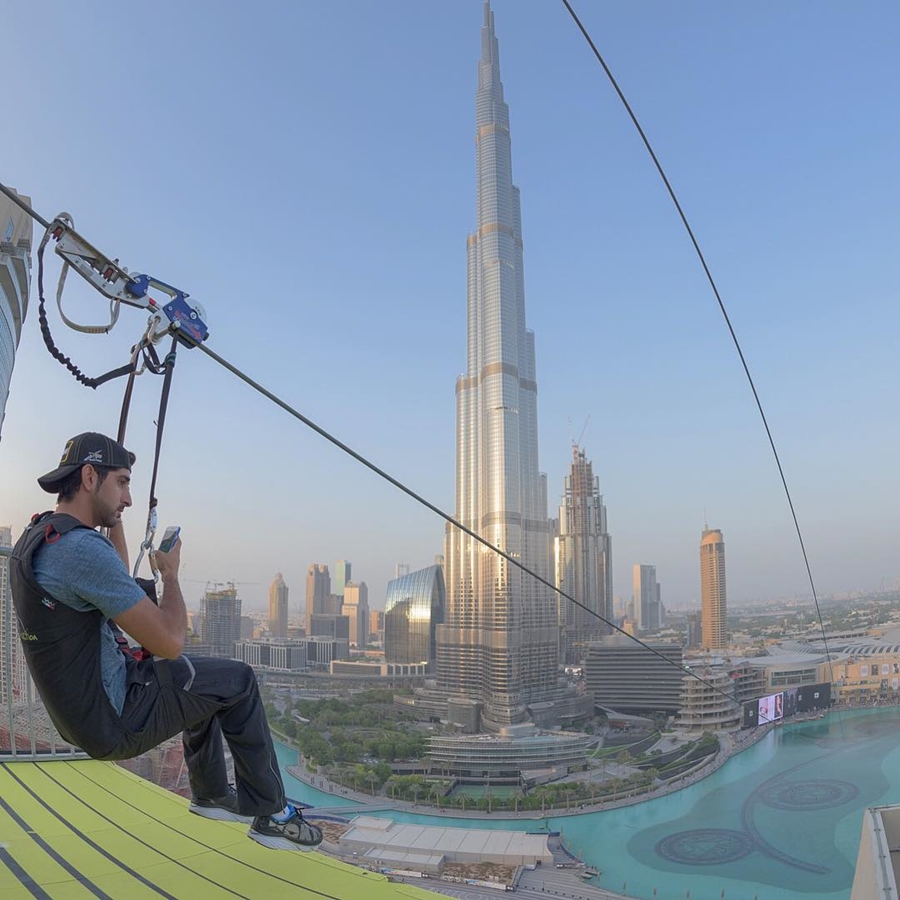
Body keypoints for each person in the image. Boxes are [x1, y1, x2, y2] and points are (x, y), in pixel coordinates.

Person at [10, 432, 322, 852]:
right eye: (122, 483)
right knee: (238, 680)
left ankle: (212, 794)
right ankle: (273, 814)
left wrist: (111, 515)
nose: (130, 498)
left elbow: (111, 577)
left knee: (197, 681)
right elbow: (171, 641)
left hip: (84, 715)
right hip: (115, 717)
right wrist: (171, 575)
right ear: (89, 476)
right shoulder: (81, 550)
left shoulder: (42, 538)